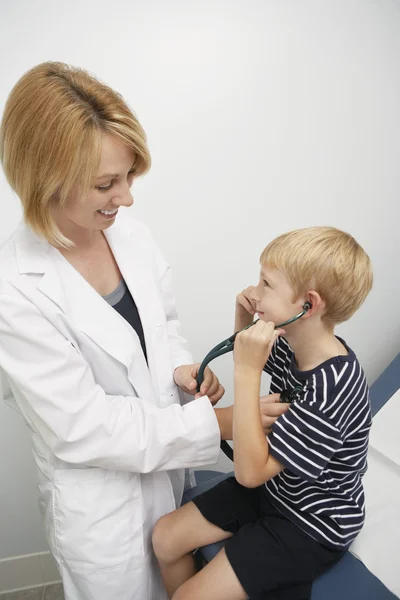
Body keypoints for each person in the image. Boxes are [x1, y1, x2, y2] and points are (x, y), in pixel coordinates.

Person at [0, 62, 287, 600]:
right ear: (45, 180)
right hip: (103, 509)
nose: (127, 197)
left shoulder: (129, 234)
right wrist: (223, 423)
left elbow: (163, 325)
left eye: (129, 176)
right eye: (106, 184)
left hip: (168, 478)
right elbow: (84, 425)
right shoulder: (14, 287)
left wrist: (180, 368)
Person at [153, 226, 373, 600]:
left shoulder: (334, 388)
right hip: (276, 491)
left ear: (308, 304)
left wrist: (247, 372)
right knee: (165, 537)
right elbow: (253, 354)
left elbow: (250, 471)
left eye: (266, 283)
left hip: (309, 523)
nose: (255, 291)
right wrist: (244, 320)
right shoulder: (295, 344)